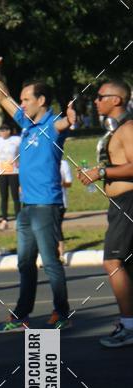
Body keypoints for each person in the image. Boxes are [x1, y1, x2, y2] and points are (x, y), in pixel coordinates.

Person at [0, 57, 76, 331]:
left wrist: (71, 118)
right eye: (21, 100)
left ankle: (62, 313)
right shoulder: (27, 124)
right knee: (24, 262)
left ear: (42, 100)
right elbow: (4, 98)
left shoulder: (52, 124)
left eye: (26, 99)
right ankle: (22, 315)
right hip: (27, 207)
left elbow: (65, 124)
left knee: (49, 262)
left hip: (46, 205)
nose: (21, 104)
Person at [77, 79, 133, 348]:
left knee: (113, 262)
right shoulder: (117, 130)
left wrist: (101, 172)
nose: (96, 101)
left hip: (128, 202)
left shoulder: (129, 128)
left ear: (117, 100)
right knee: (126, 266)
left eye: (101, 97)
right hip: (120, 204)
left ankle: (129, 325)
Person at [0, 123, 21, 229]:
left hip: (14, 171)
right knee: (4, 196)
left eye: (4, 130)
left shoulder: (16, 139)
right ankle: (4, 220)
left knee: (15, 196)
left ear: (9, 131)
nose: (2, 132)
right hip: (1, 172)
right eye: (1, 130)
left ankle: (18, 219)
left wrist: (19, 161)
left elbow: (25, 150)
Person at [58, 158, 73, 261]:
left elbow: (69, 183)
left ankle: (61, 255)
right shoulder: (42, 161)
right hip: (44, 201)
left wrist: (58, 182)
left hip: (60, 201)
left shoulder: (63, 164)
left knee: (56, 227)